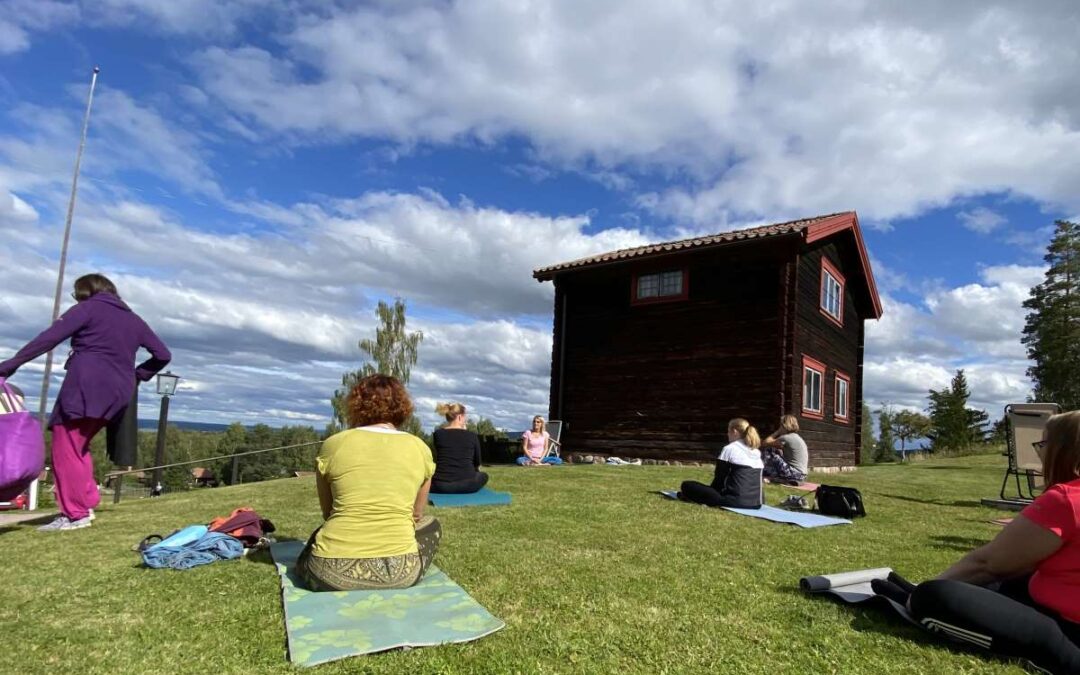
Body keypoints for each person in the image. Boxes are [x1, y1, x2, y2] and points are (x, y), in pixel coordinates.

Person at [872, 410, 1080, 674]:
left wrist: (922, 590)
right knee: (1009, 580)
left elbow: (987, 564)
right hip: (1055, 602)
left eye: (1043, 445)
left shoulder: (1067, 499)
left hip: (1069, 634)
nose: (1040, 454)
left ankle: (916, 597)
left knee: (934, 597)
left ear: (1063, 450)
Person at [0, 274, 170, 531]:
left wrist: (9, 366)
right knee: (78, 445)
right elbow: (163, 354)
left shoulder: (88, 309)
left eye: (77, 294)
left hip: (86, 384)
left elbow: (48, 339)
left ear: (85, 292)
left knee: (64, 445)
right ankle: (85, 504)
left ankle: (74, 514)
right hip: (119, 391)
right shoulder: (133, 319)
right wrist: (138, 375)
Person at [296, 374, 441, 591]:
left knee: (321, 533)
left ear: (356, 405)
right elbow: (416, 514)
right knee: (432, 524)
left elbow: (328, 514)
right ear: (403, 406)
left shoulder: (333, 445)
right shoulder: (420, 447)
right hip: (401, 573)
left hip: (328, 574)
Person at [678, 418, 763, 509]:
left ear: (734, 431)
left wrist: (707, 495)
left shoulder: (730, 448)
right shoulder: (756, 451)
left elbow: (719, 480)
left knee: (686, 485)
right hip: (756, 504)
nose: (727, 434)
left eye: (728, 431)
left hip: (732, 501)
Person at [430, 402, 489, 494]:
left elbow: (438, 456)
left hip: (440, 485)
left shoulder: (438, 434)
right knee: (484, 475)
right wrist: (465, 432)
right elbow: (477, 462)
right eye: (465, 416)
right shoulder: (472, 436)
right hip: (467, 485)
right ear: (460, 417)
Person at [761, 414, 809, 484]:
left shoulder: (785, 438)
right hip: (802, 475)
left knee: (770, 449)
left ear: (785, 425)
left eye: (781, 425)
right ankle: (773, 475)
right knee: (777, 451)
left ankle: (762, 472)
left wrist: (777, 432)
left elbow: (765, 442)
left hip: (794, 474)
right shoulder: (797, 437)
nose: (780, 427)